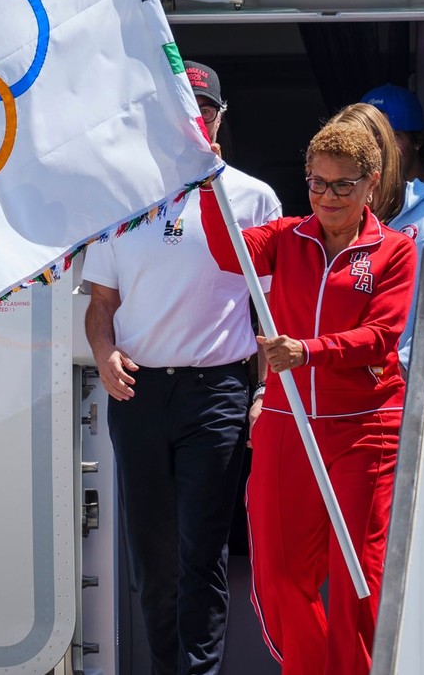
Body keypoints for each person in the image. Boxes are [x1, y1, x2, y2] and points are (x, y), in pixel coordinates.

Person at [83, 60, 281, 675]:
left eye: (207, 109)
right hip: (139, 393)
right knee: (152, 558)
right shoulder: (122, 201)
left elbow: (274, 309)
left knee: (203, 554)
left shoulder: (253, 198)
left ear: (222, 118)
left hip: (216, 392)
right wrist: (103, 352)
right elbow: (101, 307)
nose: (196, 120)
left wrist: (264, 388)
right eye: (183, 110)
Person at [199, 122, 416, 675]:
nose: (327, 197)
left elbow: (382, 337)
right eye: (317, 183)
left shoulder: (394, 250)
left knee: (355, 578)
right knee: (277, 576)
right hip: (286, 421)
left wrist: (307, 351)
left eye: (343, 185)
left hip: (366, 427)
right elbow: (227, 251)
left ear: (371, 183)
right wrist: (206, 182)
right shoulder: (285, 236)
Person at [331, 100, 424, 370]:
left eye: (354, 163)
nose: (343, 180)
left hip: (411, 394)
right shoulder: (326, 223)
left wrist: (399, 369)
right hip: (339, 390)